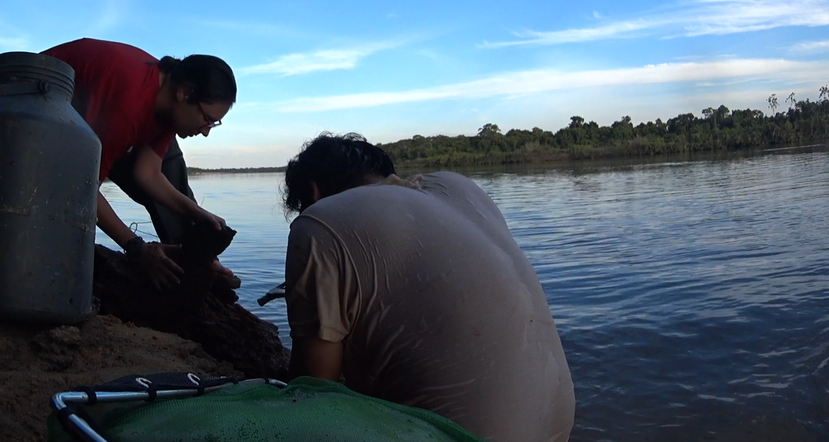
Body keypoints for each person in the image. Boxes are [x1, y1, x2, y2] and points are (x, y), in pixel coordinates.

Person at [281, 133, 575, 442]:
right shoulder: (460, 188)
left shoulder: (319, 221)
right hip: (557, 431)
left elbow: (312, 395)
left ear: (313, 192)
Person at [42, 38, 236, 288]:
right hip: (33, 97)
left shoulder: (167, 105)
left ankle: (195, 265)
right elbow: (82, 188)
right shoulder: (129, 105)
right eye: (208, 120)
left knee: (171, 165)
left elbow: (148, 174)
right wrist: (135, 247)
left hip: (80, 117)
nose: (206, 131)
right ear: (184, 92)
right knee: (69, 194)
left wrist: (197, 214)